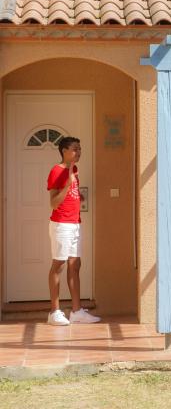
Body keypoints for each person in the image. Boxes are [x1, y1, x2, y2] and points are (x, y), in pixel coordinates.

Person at [46, 136, 100, 326]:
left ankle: (76, 311)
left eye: (80, 148)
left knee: (75, 265)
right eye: (75, 149)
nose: (79, 152)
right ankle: (54, 312)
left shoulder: (74, 169)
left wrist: (77, 194)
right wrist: (68, 185)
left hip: (75, 223)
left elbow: (71, 193)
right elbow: (53, 202)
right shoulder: (56, 171)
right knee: (58, 266)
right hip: (61, 224)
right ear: (64, 151)